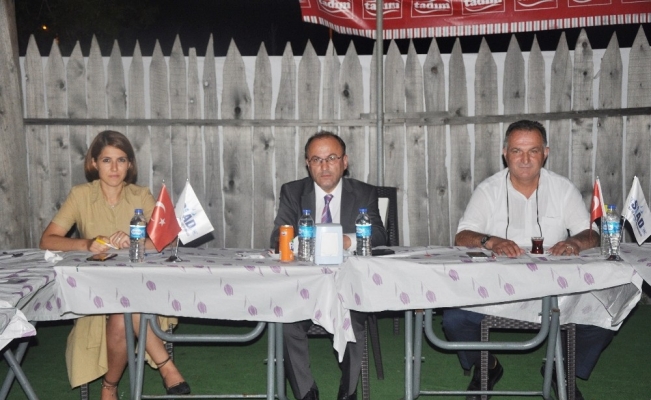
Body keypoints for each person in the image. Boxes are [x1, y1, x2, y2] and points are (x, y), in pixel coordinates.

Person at [445, 120, 605, 400]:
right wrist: (491, 241)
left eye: (533, 151)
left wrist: (574, 243)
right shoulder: (488, 190)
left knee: (603, 315)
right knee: (454, 319)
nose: (525, 159)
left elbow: (591, 234)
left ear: (546, 153)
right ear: (505, 153)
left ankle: (560, 367)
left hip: (555, 288)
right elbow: (462, 236)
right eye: (517, 151)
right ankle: (488, 365)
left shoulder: (562, 188)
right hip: (498, 286)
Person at [39, 130, 190, 399]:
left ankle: (109, 386)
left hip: (139, 287)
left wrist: (135, 242)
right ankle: (167, 367)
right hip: (94, 289)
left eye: (121, 160)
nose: (114, 168)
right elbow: (47, 240)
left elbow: (170, 240)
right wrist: (87, 244)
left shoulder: (140, 195)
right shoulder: (80, 195)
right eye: (106, 160)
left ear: (129, 164)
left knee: (125, 308)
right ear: (94, 163)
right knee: (126, 304)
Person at [270, 131, 387, 400]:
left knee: (354, 319)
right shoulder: (293, 192)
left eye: (331, 158)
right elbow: (278, 237)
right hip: (305, 286)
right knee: (287, 322)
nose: (324, 166)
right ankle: (306, 393)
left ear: (345, 162)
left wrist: (346, 240)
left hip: (349, 284)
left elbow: (380, 236)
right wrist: (309, 241)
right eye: (316, 159)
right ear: (307, 164)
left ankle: (348, 391)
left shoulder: (364, 193)